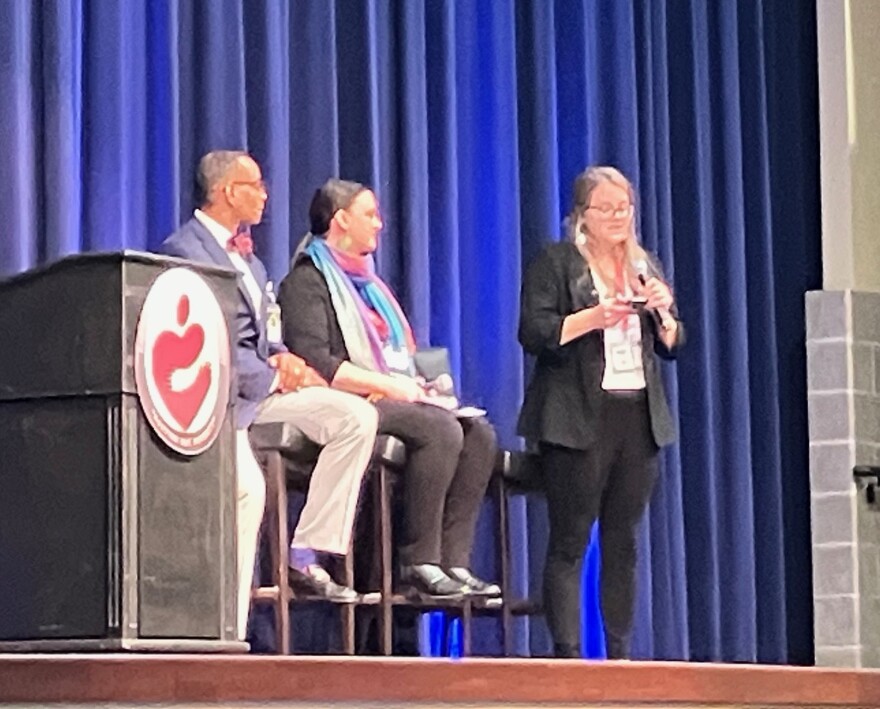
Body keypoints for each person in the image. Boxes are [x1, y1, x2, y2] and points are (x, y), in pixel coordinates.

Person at [159, 151, 379, 640]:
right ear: (225, 192)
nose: (265, 194)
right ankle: (228, 631)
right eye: (254, 185)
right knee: (247, 490)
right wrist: (268, 374)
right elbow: (194, 347)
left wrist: (283, 356)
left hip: (264, 390)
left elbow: (264, 334)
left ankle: (307, 550)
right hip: (220, 404)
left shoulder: (251, 260)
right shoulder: (185, 252)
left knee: (355, 418)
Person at [277, 178, 500, 599]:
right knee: (440, 430)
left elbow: (392, 353)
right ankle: (418, 561)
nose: (379, 224)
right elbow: (318, 363)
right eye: (370, 215)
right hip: (344, 401)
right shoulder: (307, 282)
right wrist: (393, 387)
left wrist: (421, 383)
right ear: (341, 219)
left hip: (389, 394)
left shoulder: (372, 288)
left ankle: (454, 562)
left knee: (481, 435)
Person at [517, 166, 684, 659]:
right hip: (574, 419)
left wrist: (665, 314)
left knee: (623, 541)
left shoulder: (642, 265)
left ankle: (619, 656)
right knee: (570, 540)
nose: (617, 217)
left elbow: (673, 344)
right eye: (605, 208)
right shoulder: (556, 262)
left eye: (624, 208)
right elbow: (533, 333)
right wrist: (593, 317)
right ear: (581, 216)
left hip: (637, 416)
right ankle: (567, 656)